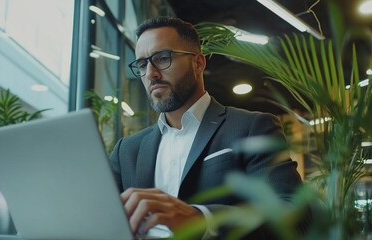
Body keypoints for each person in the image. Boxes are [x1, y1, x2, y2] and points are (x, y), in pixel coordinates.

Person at [109, 16, 304, 239]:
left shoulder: (251, 127)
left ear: (198, 63)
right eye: (142, 64)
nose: (151, 73)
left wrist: (202, 219)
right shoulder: (126, 150)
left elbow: (294, 215)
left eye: (163, 58)